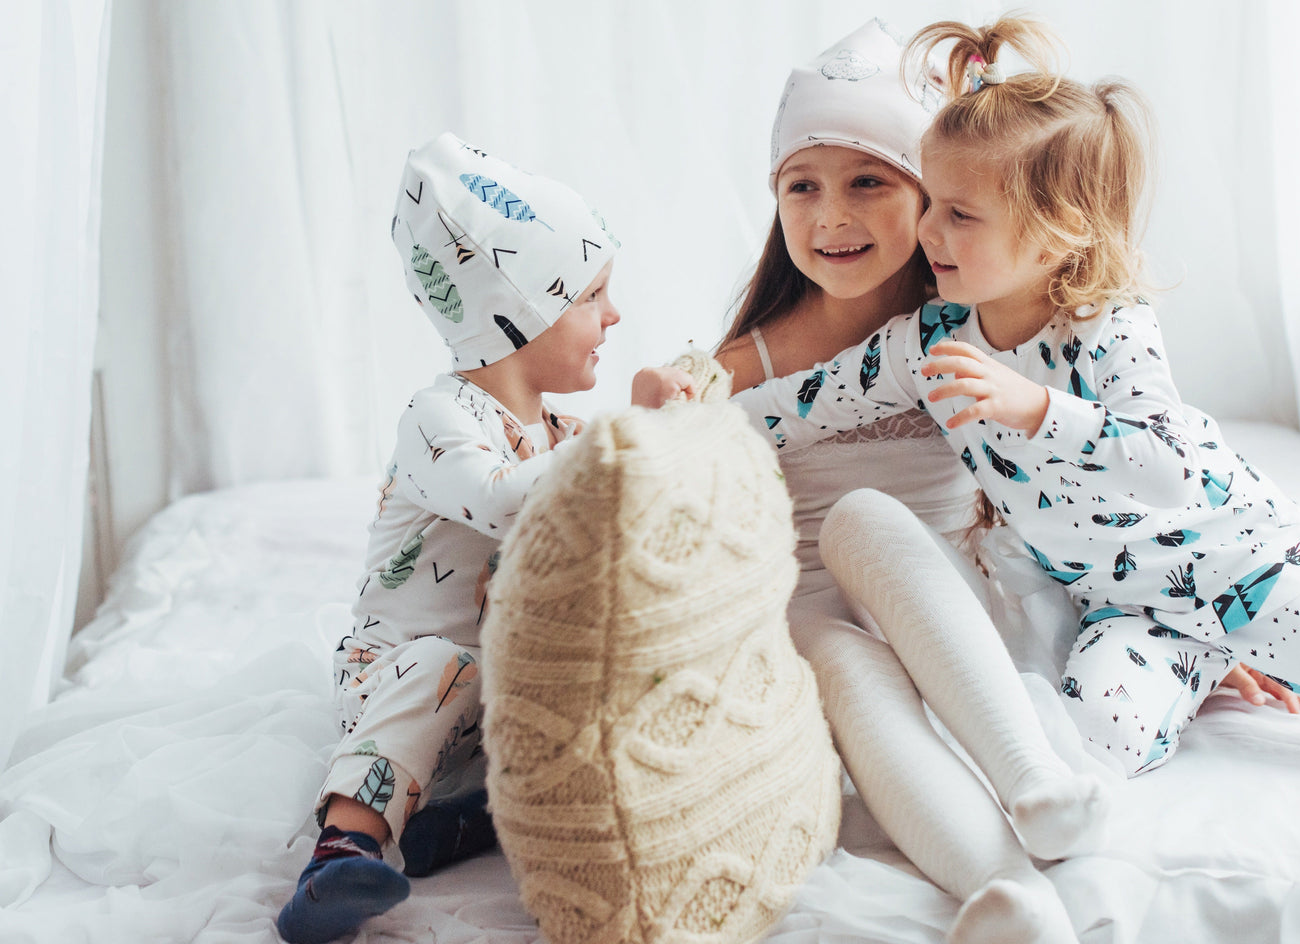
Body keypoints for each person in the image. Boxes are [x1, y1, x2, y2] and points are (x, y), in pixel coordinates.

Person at [734, 13, 1300, 790]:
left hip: (1245, 571)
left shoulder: (1109, 327)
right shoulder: (926, 345)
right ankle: (1202, 662)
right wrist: (688, 416)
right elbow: (803, 404)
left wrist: (1035, 409)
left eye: (960, 214)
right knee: (1094, 746)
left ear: (1056, 233)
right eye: (933, 202)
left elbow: (1168, 468)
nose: (929, 229)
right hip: (1125, 606)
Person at [709, 20, 1099, 944]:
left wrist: (1200, 619)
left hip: (944, 606)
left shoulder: (967, 323)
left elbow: (1093, 477)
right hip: (807, 615)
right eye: (800, 186)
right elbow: (660, 472)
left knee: (867, 518)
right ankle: (1004, 893)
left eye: (869, 182)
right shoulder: (746, 360)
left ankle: (1035, 780)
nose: (830, 215)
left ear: (933, 199)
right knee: (838, 657)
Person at [277, 132, 629, 943]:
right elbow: (507, 504)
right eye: (591, 295)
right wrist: (628, 437)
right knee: (446, 664)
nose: (614, 315)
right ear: (520, 314)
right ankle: (339, 853)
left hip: (490, 703)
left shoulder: (564, 429)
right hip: (397, 676)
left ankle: (465, 823)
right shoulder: (437, 419)